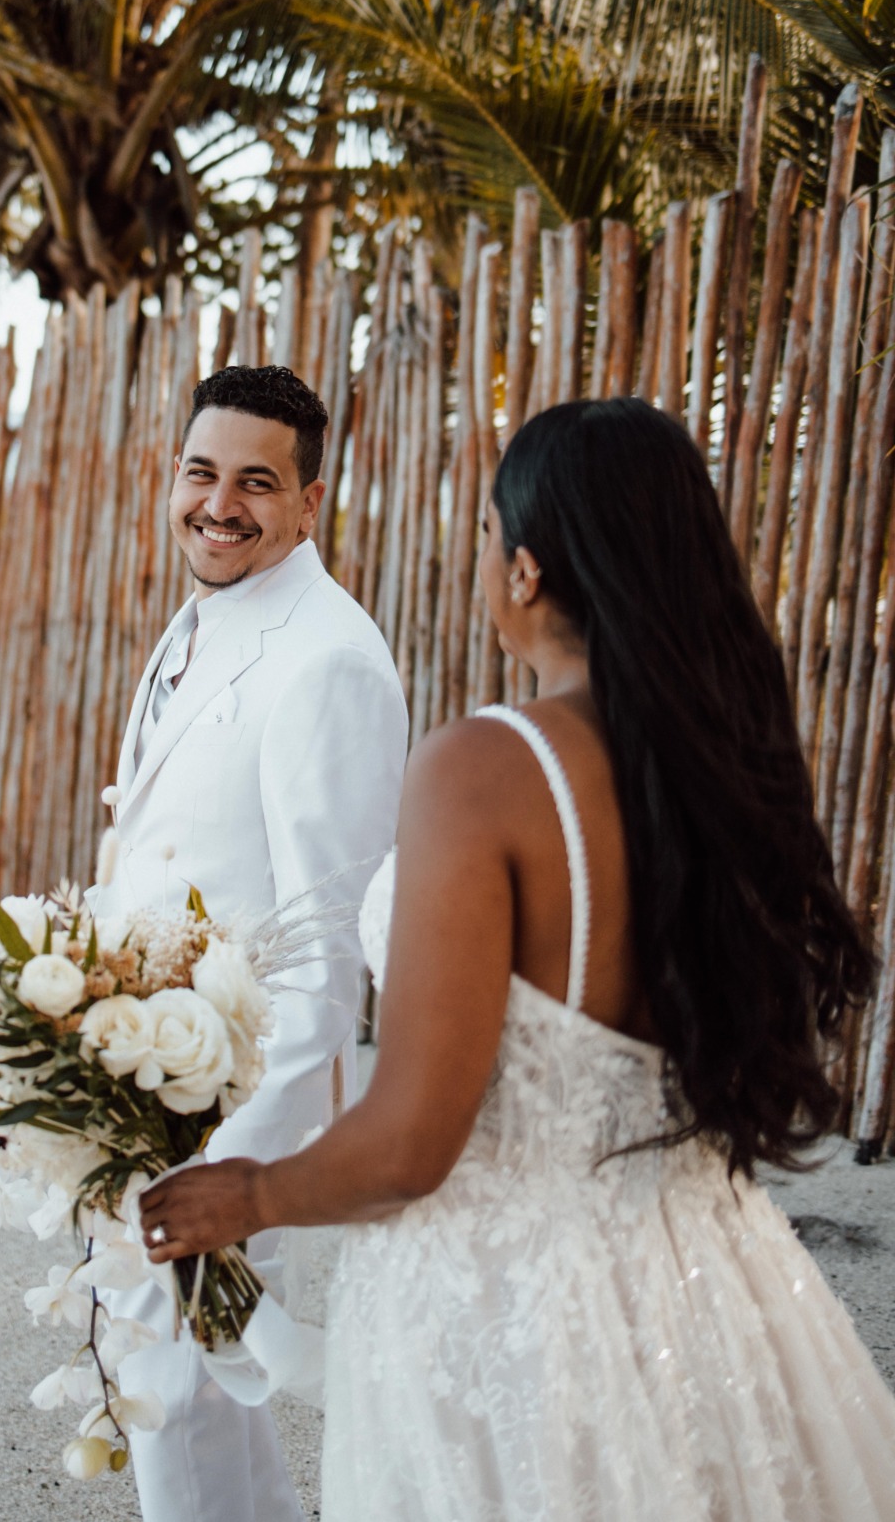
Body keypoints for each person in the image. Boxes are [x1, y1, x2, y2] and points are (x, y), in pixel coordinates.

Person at [141, 396, 895, 1520]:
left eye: (491, 535)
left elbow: (410, 1143)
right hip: (720, 1288)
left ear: (529, 569)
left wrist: (246, 1192)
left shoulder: (487, 769)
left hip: (516, 1317)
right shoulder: (725, 769)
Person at [90, 363, 408, 1522]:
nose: (220, 503)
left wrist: (244, 1173)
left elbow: (328, 952)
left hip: (222, 1116)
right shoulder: (203, 611)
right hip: (142, 1083)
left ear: (310, 501)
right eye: (201, 472)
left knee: (182, 1400)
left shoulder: (329, 659)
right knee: (181, 1393)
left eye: (258, 482)